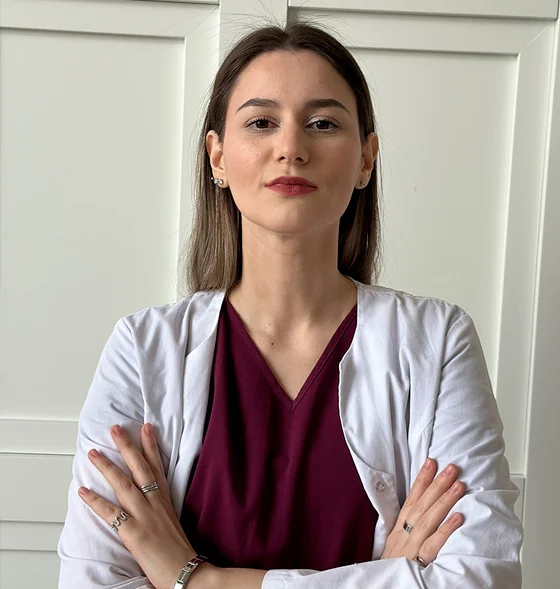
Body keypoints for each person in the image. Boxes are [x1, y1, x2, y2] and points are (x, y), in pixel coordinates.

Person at [57, 20, 523, 589]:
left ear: (366, 160)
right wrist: (387, 577)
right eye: (261, 123)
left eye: (323, 123)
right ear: (217, 158)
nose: (291, 149)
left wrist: (198, 580)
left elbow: (482, 576)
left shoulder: (438, 339)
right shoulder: (142, 350)